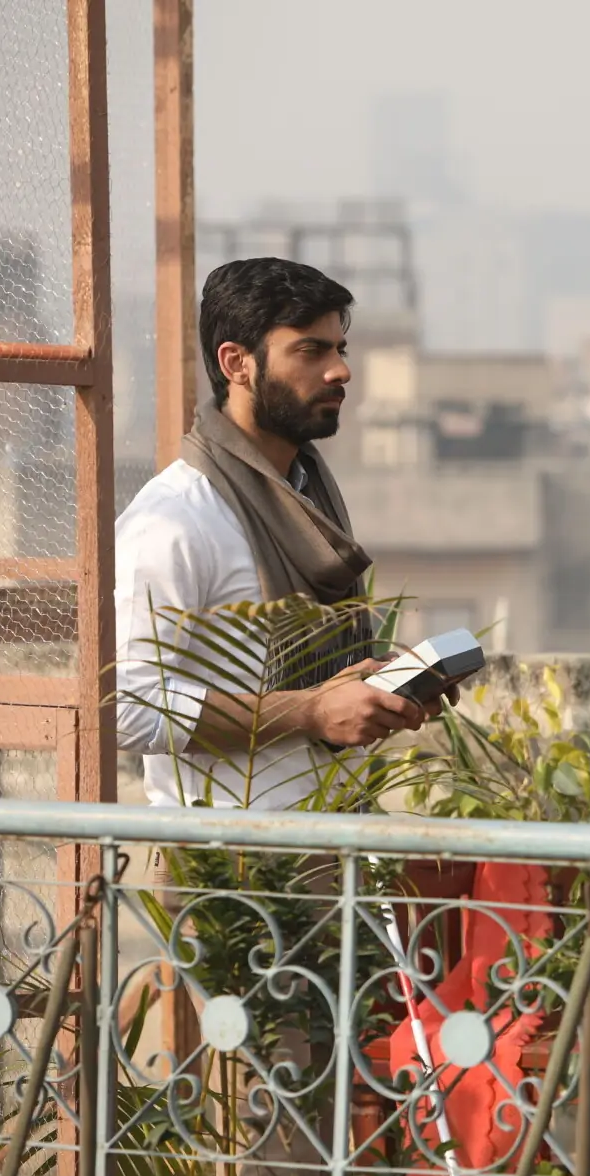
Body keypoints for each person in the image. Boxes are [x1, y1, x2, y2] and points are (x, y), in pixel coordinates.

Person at [114, 257, 439, 811]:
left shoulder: (309, 500)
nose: (340, 371)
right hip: (226, 855)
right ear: (236, 363)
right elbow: (125, 707)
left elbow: (312, 692)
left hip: (335, 841)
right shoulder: (175, 519)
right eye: (311, 351)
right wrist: (310, 711)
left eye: (340, 350)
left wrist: (374, 688)